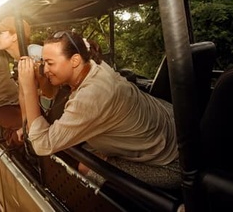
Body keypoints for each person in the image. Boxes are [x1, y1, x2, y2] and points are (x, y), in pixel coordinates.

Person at [17, 30, 179, 188]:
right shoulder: (95, 65)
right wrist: (40, 79)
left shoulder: (91, 96)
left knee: (85, 167)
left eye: (50, 63)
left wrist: (28, 88)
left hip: (172, 164)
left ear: (75, 60)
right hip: (175, 126)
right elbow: (52, 93)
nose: (45, 69)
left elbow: (41, 145)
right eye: (44, 62)